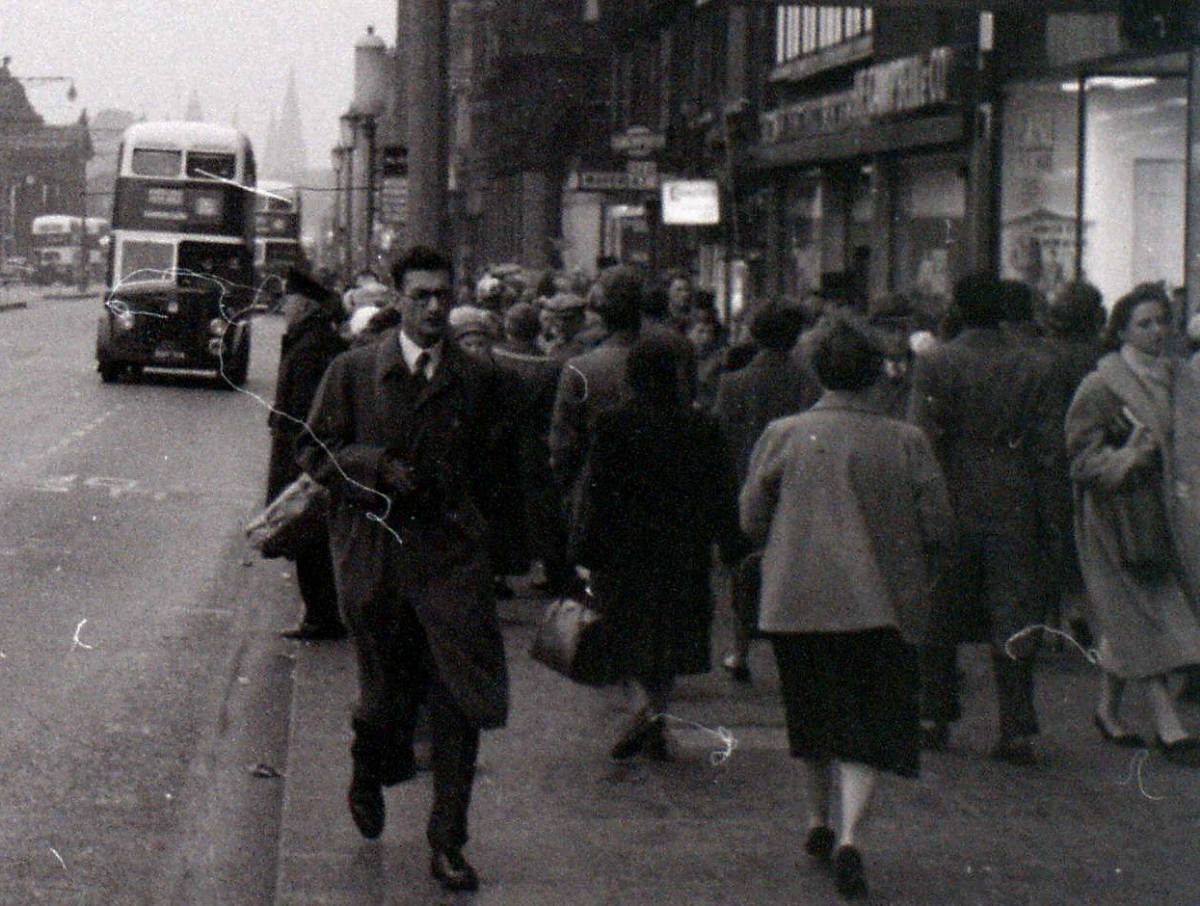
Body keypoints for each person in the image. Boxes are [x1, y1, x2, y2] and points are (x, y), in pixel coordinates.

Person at [297, 246, 511, 891]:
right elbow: (312, 450)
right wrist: (372, 467)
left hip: (452, 563)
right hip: (380, 561)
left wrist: (490, 542)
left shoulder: (478, 380)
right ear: (397, 298)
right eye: (420, 295)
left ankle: (448, 842)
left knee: (458, 705)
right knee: (386, 701)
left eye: (443, 294)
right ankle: (367, 765)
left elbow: (501, 474)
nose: (435, 307)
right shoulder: (354, 371)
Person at [740, 314, 951, 900]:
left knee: (811, 714)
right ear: (877, 374)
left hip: (797, 598)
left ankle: (816, 819)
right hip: (881, 602)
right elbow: (938, 524)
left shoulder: (784, 435)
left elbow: (751, 518)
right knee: (867, 724)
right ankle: (853, 835)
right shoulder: (906, 439)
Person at [909, 274, 1060, 766]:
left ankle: (933, 713)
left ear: (957, 307)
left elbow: (921, 435)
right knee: (1012, 609)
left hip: (952, 484)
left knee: (940, 604)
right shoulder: (1036, 365)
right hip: (1013, 488)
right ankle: (1016, 726)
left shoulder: (935, 362)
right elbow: (1048, 446)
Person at [571, 336, 745, 762]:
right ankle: (658, 716)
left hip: (624, 547)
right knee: (669, 638)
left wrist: (585, 546)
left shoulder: (612, 424)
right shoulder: (702, 425)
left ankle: (643, 710)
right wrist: (729, 541)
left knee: (623, 635)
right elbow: (721, 491)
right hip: (682, 549)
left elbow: (598, 491)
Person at [1065, 286, 1200, 764]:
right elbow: (1081, 460)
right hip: (1121, 520)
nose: (1156, 331)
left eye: (1162, 321)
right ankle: (1170, 728)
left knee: (1130, 618)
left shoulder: (1180, 378)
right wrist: (1129, 456)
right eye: (1144, 323)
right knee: (1154, 613)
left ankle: (1107, 710)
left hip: (1173, 517)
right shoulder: (1101, 386)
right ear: (1121, 330)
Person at [712, 304, 819, 681]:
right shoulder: (810, 383)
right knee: (795, 565)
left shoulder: (733, 383)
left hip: (746, 481)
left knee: (744, 570)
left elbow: (721, 440)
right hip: (797, 485)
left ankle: (740, 651)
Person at [266, 268, 348, 641]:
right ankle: (320, 612)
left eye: (290, 301)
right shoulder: (309, 339)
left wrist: (303, 460)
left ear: (305, 305)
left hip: (302, 455)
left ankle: (321, 616)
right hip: (299, 450)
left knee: (307, 534)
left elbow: (307, 409)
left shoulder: (312, 345)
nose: (284, 307)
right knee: (306, 534)